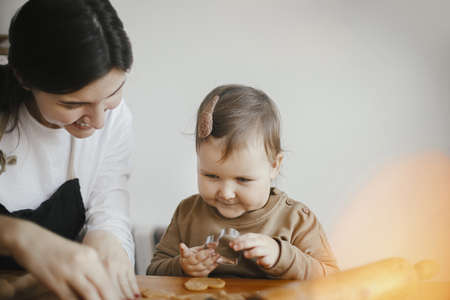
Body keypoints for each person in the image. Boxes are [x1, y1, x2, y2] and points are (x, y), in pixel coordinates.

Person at [0, 0, 140, 299]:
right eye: (73, 104)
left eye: (113, 93)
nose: (99, 121)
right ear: (25, 79)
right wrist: (17, 236)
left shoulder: (115, 119)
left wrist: (108, 240)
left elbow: (109, 209)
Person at [147, 84, 339, 279]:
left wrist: (282, 256)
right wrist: (182, 266)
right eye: (211, 176)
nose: (226, 193)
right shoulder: (187, 214)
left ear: (274, 165)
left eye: (243, 179)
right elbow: (153, 272)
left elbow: (332, 278)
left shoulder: (296, 220)